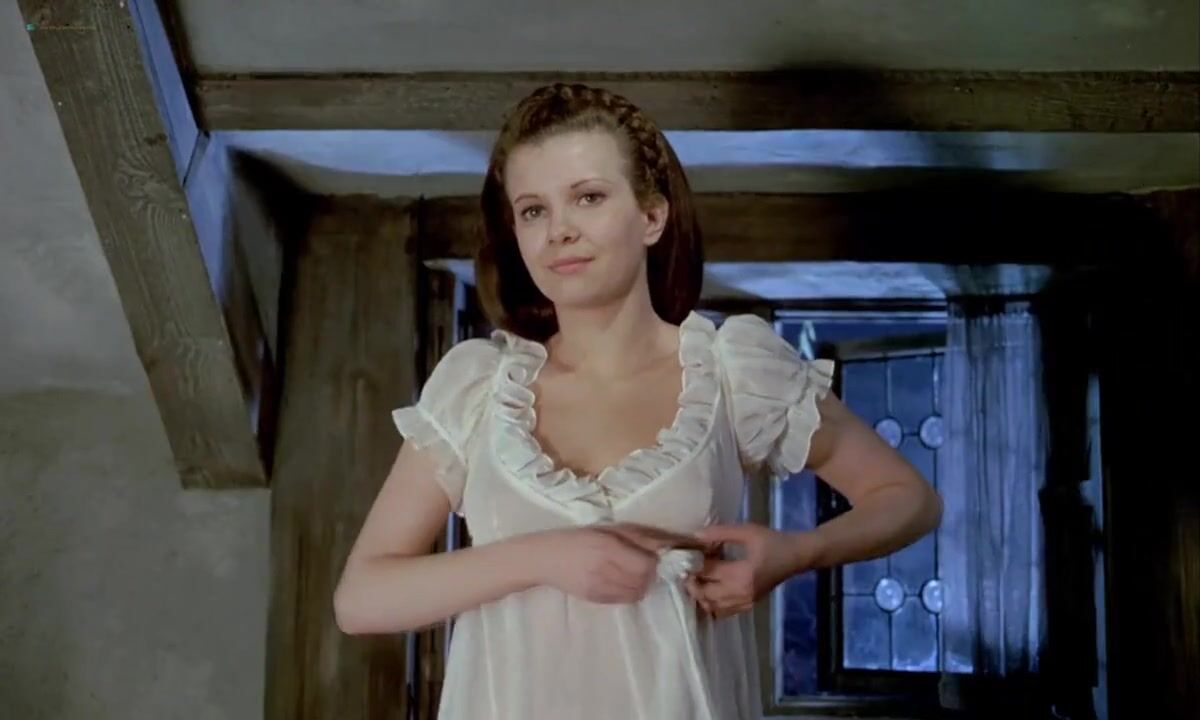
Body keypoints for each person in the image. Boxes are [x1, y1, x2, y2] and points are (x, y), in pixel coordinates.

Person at [333, 82, 942, 720]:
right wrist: (544, 556)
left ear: (651, 216)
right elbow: (362, 598)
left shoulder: (733, 374)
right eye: (533, 211)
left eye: (588, 198)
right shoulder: (478, 388)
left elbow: (909, 499)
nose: (559, 231)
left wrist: (796, 554)